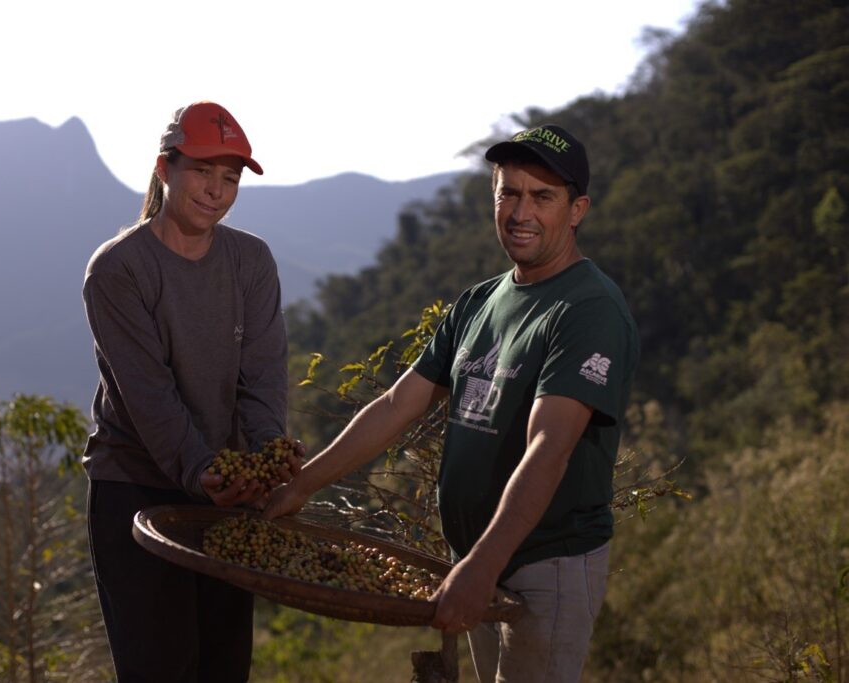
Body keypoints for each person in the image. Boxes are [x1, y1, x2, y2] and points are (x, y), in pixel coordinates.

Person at [264, 124, 639, 682]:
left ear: (577, 209)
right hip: (478, 558)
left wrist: (482, 566)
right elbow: (396, 404)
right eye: (508, 193)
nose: (520, 212)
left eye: (542, 197)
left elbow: (549, 447)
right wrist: (299, 486)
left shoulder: (587, 309)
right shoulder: (480, 302)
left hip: (546, 564)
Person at [82, 101, 295, 682]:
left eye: (230, 178)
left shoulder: (250, 260)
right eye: (202, 170)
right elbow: (148, 394)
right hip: (137, 488)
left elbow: (264, 374)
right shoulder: (119, 269)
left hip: (225, 490)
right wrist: (203, 470)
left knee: (224, 666)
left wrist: (268, 448)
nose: (216, 190)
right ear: (164, 169)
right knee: (161, 667)